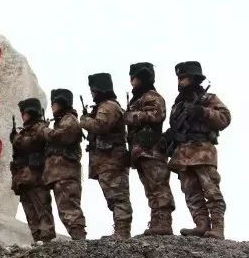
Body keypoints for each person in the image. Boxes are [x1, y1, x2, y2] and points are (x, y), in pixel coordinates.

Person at [165, 61, 231, 239]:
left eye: (184, 78)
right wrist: (169, 135)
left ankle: (217, 228)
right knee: (191, 192)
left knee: (211, 191)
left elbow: (225, 118)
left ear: (194, 78)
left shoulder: (207, 98)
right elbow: (175, 128)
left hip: (202, 152)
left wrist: (202, 112)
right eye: (179, 78)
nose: (180, 82)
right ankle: (201, 225)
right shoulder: (178, 105)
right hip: (182, 155)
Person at [79, 73, 133, 239]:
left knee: (118, 196)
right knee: (112, 198)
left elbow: (101, 126)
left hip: (113, 160)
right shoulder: (103, 106)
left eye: (93, 90)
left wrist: (84, 120)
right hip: (104, 161)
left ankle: (122, 232)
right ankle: (120, 230)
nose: (92, 94)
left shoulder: (109, 106)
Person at [124, 62, 175, 235]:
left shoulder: (152, 96)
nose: (131, 81)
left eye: (134, 78)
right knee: (150, 189)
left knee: (159, 185)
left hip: (152, 149)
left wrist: (132, 116)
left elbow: (157, 115)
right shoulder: (138, 98)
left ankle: (164, 222)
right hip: (141, 151)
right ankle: (156, 222)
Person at [32, 89, 87, 240]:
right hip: (58, 174)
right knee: (64, 209)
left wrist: (43, 129)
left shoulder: (69, 120)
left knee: (69, 208)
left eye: (54, 103)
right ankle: (78, 240)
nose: (52, 106)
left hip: (66, 174)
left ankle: (79, 239)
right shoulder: (61, 121)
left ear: (62, 103)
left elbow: (58, 136)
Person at [10, 98, 51, 242]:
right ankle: (38, 239)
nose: (23, 116)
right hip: (23, 178)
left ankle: (46, 240)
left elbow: (29, 144)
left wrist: (16, 139)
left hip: (36, 177)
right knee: (30, 213)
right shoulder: (26, 131)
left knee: (42, 210)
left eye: (24, 113)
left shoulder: (39, 128)